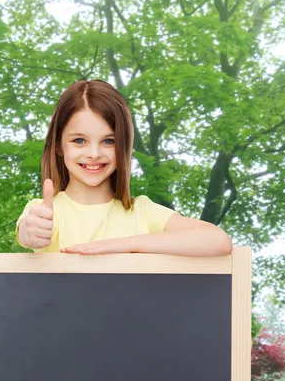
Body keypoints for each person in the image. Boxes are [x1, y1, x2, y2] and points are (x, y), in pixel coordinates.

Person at [16, 79, 232, 257]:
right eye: (79, 141)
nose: (93, 153)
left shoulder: (142, 212)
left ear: (124, 147)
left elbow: (218, 241)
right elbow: (29, 231)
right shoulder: (44, 212)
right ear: (58, 146)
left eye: (108, 141)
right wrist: (31, 232)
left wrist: (122, 245)